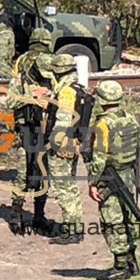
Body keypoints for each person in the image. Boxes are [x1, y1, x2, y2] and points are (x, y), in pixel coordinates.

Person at [87, 79, 140, 280]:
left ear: (102, 100)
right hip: (128, 173)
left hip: (110, 176)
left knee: (112, 220)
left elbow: (99, 157)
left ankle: (121, 265)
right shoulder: (130, 118)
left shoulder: (103, 124)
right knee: (128, 217)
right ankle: (131, 261)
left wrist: (93, 182)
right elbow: (137, 148)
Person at [6, 28, 55, 235]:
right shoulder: (22, 68)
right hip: (27, 127)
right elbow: (10, 100)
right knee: (25, 172)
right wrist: (33, 97)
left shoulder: (50, 66)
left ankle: (37, 215)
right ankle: (17, 214)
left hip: (44, 127)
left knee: (41, 173)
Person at [44, 52, 86, 244]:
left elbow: (63, 118)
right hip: (73, 142)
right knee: (70, 186)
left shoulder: (67, 91)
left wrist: (53, 143)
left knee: (63, 188)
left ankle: (71, 230)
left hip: (62, 145)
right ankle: (75, 227)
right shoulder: (78, 87)